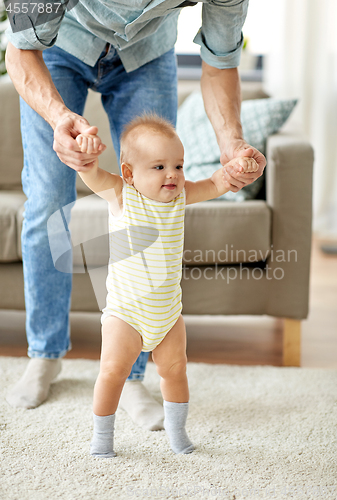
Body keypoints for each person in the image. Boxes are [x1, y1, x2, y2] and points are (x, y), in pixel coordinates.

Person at [4, 0, 266, 426]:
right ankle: (45, 354)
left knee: (155, 211)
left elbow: (220, 63)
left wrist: (233, 145)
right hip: (56, 46)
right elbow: (20, 47)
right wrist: (59, 117)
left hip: (146, 53)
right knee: (49, 201)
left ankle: (131, 375)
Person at [75, 114, 258, 457]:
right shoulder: (122, 195)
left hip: (168, 313)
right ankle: (101, 439)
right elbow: (91, 176)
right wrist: (85, 157)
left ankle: (177, 432)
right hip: (125, 313)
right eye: (158, 167)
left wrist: (236, 167)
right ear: (130, 173)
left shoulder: (179, 196)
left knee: (175, 371)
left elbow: (218, 183)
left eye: (178, 165)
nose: (172, 174)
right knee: (113, 372)